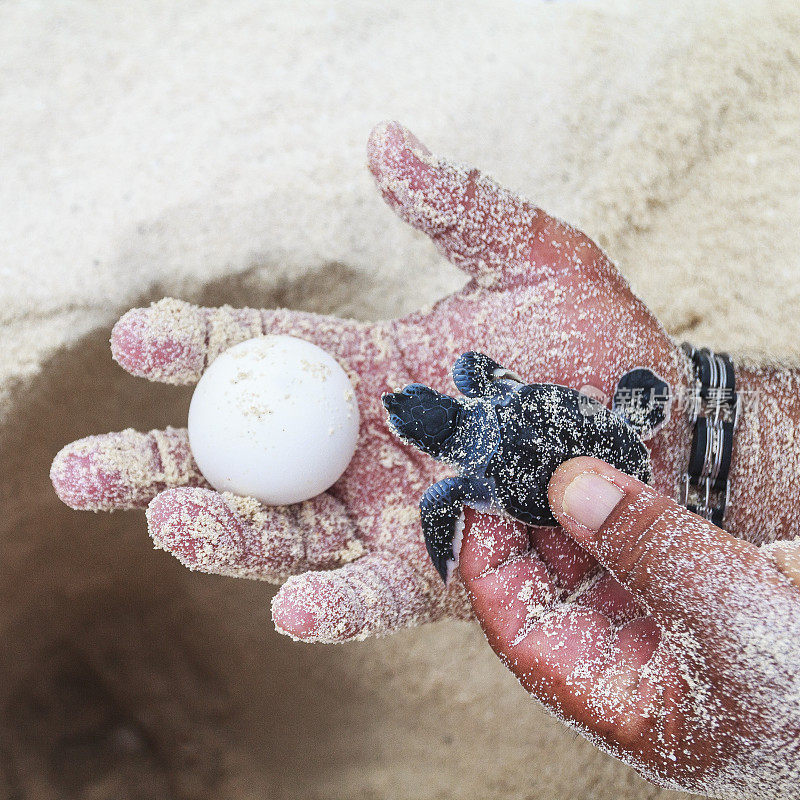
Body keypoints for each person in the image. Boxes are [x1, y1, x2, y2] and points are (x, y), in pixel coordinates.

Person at [51, 122, 800, 798]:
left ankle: (691, 438)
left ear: (444, 439)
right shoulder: (487, 401)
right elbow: (492, 382)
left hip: (575, 471)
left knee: (503, 473)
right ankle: (693, 437)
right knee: (618, 407)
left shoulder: (463, 484)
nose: (405, 403)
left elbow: (452, 492)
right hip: (585, 426)